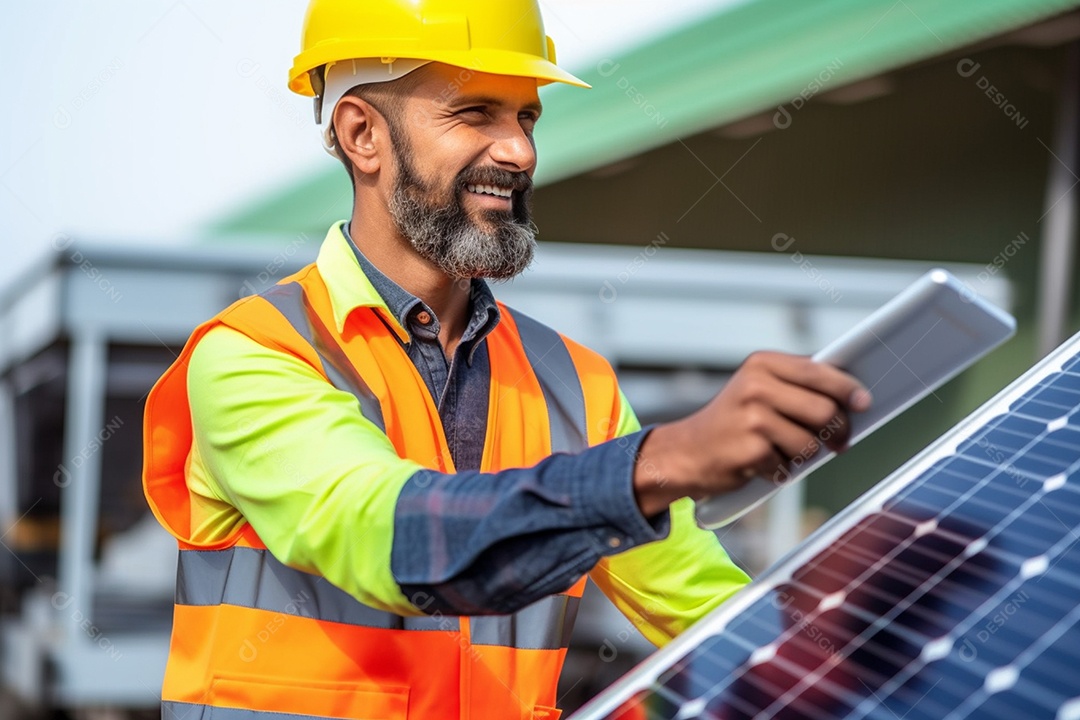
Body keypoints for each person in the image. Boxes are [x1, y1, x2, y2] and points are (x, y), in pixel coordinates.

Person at [142, 1, 871, 718]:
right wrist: (665, 460)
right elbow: (384, 535)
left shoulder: (576, 384)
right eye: (475, 113)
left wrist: (866, 651)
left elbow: (716, 616)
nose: (519, 151)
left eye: (526, 117)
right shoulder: (255, 355)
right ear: (362, 134)